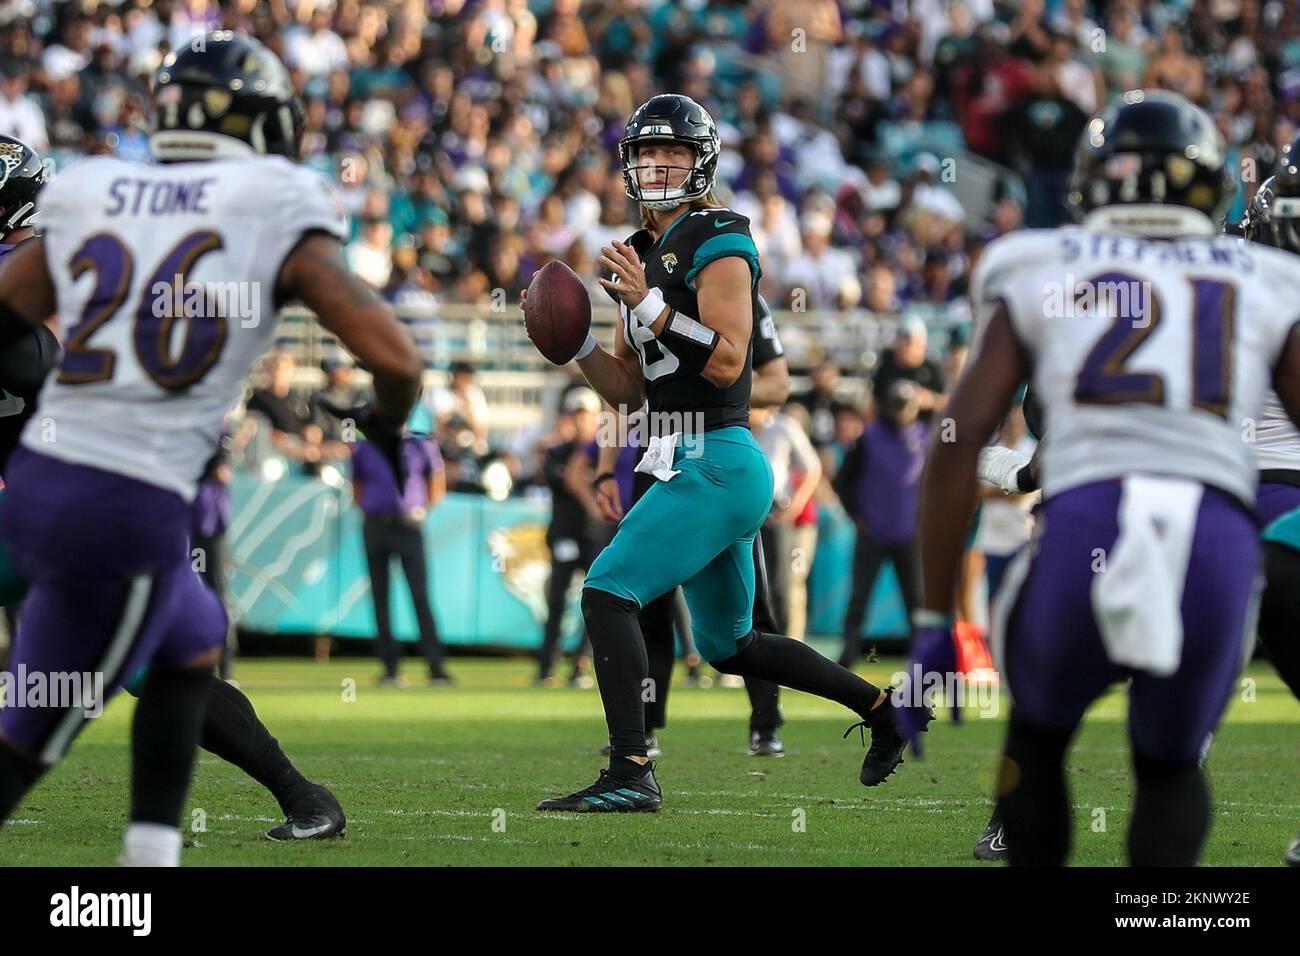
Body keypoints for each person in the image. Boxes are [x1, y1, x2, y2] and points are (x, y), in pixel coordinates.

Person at [0, 33, 423, 865]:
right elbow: (398, 359)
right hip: (114, 490)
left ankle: (278, 808)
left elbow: (22, 313)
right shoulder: (273, 205)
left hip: (59, 486)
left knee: (183, 646)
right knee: (50, 718)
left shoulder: (96, 189)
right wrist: (386, 420)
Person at [905, 90, 1300, 866]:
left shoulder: (1039, 261)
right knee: (1168, 766)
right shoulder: (1263, 278)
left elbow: (954, 444)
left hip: (1090, 520)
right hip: (1215, 536)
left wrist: (930, 621)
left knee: (1039, 742)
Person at [527, 93, 923, 813]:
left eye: (672, 151)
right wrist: (577, 344)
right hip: (677, 456)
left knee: (607, 591)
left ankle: (629, 769)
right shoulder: (638, 254)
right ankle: (884, 711)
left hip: (719, 457)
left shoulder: (721, 238)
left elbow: (730, 361)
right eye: (646, 152)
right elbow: (628, 392)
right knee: (733, 644)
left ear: (701, 160)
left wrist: (649, 305)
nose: (657, 164)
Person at [835, 380, 926, 666]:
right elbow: (842, 481)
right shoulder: (868, 438)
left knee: (917, 601)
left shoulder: (926, 436)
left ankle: (923, 657)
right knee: (859, 598)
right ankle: (849, 654)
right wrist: (857, 516)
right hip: (872, 531)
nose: (902, 411)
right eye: (897, 404)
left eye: (907, 405)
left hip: (909, 532)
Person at [352, 429, 452, 686]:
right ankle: (390, 668)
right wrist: (370, 509)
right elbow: (357, 486)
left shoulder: (420, 445)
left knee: (420, 596)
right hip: (376, 525)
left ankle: (436, 667)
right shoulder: (365, 446)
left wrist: (420, 509)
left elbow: (437, 483)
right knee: (380, 598)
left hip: (409, 525)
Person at [536, 387, 602, 687]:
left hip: (593, 537)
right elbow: (558, 479)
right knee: (556, 603)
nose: (580, 421)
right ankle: (546, 666)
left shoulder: (604, 453)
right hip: (564, 535)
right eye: (576, 415)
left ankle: (581, 665)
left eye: (585, 415)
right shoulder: (557, 451)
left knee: (596, 603)